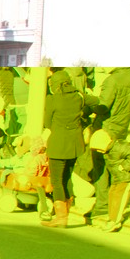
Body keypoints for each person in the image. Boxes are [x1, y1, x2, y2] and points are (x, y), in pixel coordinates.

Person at [41, 71, 86, 229]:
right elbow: (95, 103)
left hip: (58, 144)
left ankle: (61, 217)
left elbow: (47, 123)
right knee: (67, 178)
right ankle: (66, 212)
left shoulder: (52, 99)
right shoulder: (79, 97)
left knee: (57, 181)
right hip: (74, 144)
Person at [89, 129, 130, 233]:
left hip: (126, 177)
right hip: (117, 178)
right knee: (112, 195)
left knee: (120, 198)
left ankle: (115, 221)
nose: (99, 151)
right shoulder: (108, 150)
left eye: (99, 149)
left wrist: (124, 167)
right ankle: (112, 217)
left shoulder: (120, 147)